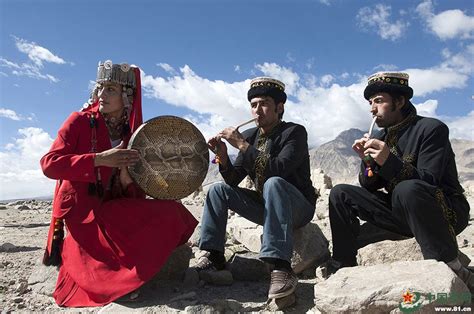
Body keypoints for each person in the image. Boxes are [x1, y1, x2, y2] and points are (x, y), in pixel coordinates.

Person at [40, 60, 198, 307]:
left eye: (111, 89)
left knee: (171, 212)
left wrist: (126, 180)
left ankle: (131, 274)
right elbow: (49, 164)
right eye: (100, 87)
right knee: (98, 256)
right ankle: (112, 281)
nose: (102, 94)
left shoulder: (132, 136)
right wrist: (98, 160)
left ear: (127, 96)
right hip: (81, 211)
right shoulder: (79, 121)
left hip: (110, 206)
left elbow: (131, 191)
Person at [328, 71, 472, 288]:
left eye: (378, 101)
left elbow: (429, 181)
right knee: (340, 193)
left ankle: (452, 268)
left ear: (400, 101)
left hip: (443, 212)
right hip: (401, 213)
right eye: (370, 102)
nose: (372, 109)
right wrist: (368, 161)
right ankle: (343, 266)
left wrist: (388, 160)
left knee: (408, 188)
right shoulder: (381, 138)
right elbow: (369, 185)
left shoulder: (431, 129)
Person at [197, 77, 317, 299]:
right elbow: (233, 180)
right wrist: (223, 157)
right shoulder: (252, 136)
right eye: (253, 105)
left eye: (263, 104)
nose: (256, 111)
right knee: (217, 190)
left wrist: (242, 145)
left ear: (279, 107)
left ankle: (281, 267)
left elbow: (278, 169)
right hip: (267, 208)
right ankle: (214, 256)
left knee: (274, 182)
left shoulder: (294, 132)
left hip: (298, 208)